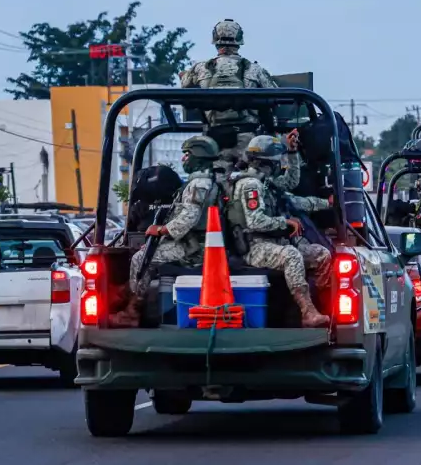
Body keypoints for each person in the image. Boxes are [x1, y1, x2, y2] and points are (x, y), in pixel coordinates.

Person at [231, 135, 332, 327]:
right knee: (292, 255)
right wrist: (284, 222)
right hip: (255, 246)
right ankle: (307, 312)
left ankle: (322, 308)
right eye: (278, 161)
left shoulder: (267, 184)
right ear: (268, 162)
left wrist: (327, 204)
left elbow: (293, 191)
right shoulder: (250, 185)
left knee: (321, 254)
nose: (280, 165)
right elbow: (255, 221)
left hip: (273, 243)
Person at [124, 136, 221, 323]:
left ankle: (132, 312)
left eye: (187, 154)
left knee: (139, 259)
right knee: (146, 252)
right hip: (192, 243)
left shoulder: (199, 184)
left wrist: (161, 230)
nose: (184, 159)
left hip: (194, 249)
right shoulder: (201, 181)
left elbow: (189, 217)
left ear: (198, 156)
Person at [179, 18, 279, 168]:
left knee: (213, 181)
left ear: (215, 41)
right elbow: (274, 94)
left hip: (213, 140)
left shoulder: (200, 68)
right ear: (239, 40)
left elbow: (184, 85)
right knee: (251, 182)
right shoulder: (254, 69)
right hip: (247, 139)